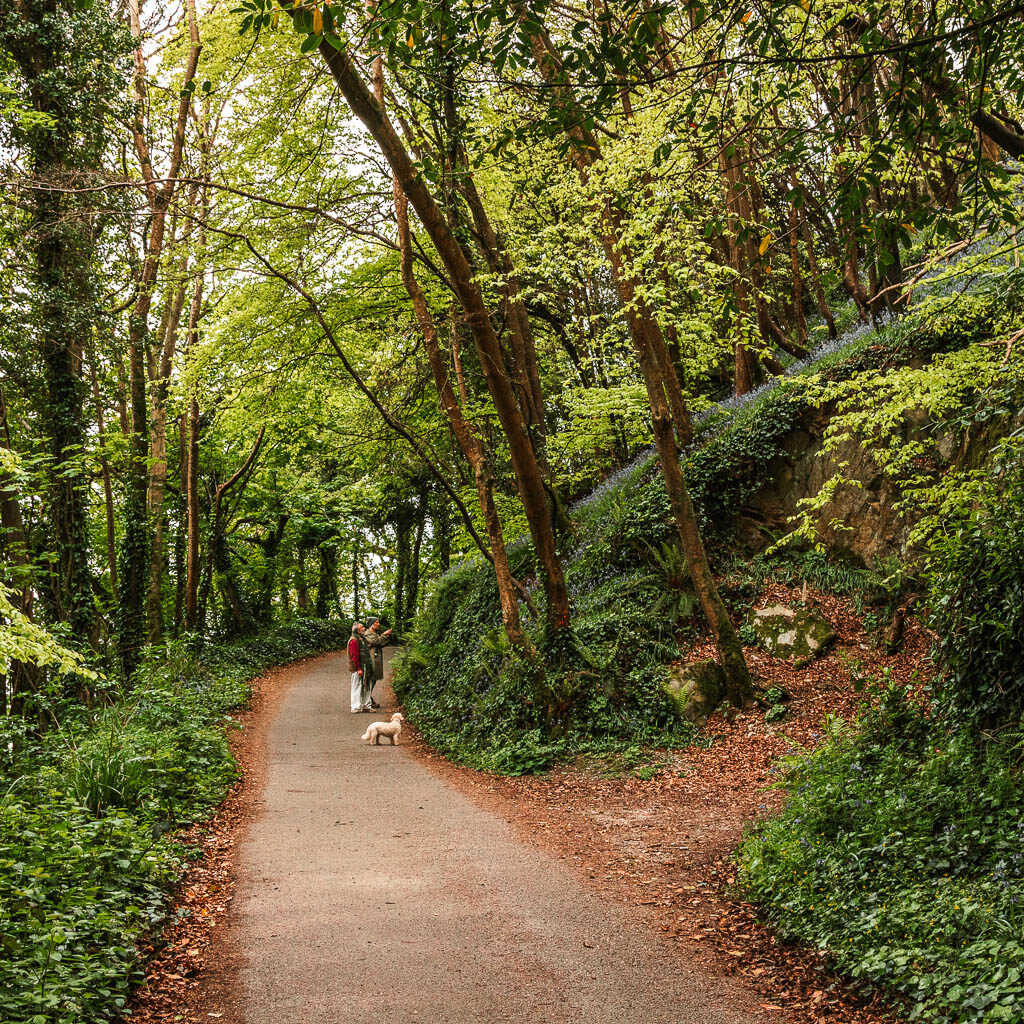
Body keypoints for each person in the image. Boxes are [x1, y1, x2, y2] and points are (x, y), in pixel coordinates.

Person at [364, 617, 393, 709]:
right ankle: (367, 699)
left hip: (376, 659)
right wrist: (384, 634)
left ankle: (368, 698)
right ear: (371, 624)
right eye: (376, 622)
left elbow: (382, 643)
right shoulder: (367, 634)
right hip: (370, 660)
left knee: (374, 678)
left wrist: (386, 636)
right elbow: (377, 642)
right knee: (369, 679)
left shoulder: (375, 633)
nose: (378, 624)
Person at [347, 622, 371, 713]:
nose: (364, 628)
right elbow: (354, 657)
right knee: (356, 687)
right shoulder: (354, 641)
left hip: (365, 667)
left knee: (366, 686)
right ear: (358, 630)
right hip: (358, 668)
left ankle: (366, 706)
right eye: (362, 627)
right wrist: (359, 668)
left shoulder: (362, 639)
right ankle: (355, 707)